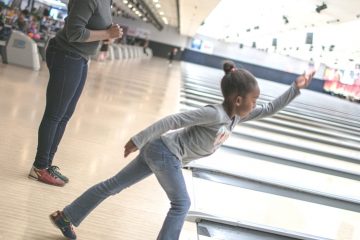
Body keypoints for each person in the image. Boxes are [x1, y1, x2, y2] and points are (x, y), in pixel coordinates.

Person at [49, 61, 315, 239]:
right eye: (253, 99)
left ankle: (67, 216)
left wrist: (295, 88)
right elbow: (174, 120)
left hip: (162, 152)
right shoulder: (215, 113)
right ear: (238, 99)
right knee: (182, 203)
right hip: (165, 152)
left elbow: (269, 109)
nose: (257, 103)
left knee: (114, 184)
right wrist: (139, 138)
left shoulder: (238, 116)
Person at [28, 0, 123, 187]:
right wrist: (107, 33)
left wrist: (109, 34)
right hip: (66, 54)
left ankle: (46, 165)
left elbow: (93, 29)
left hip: (80, 57)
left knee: (65, 115)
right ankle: (39, 167)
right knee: (55, 114)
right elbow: (74, 33)